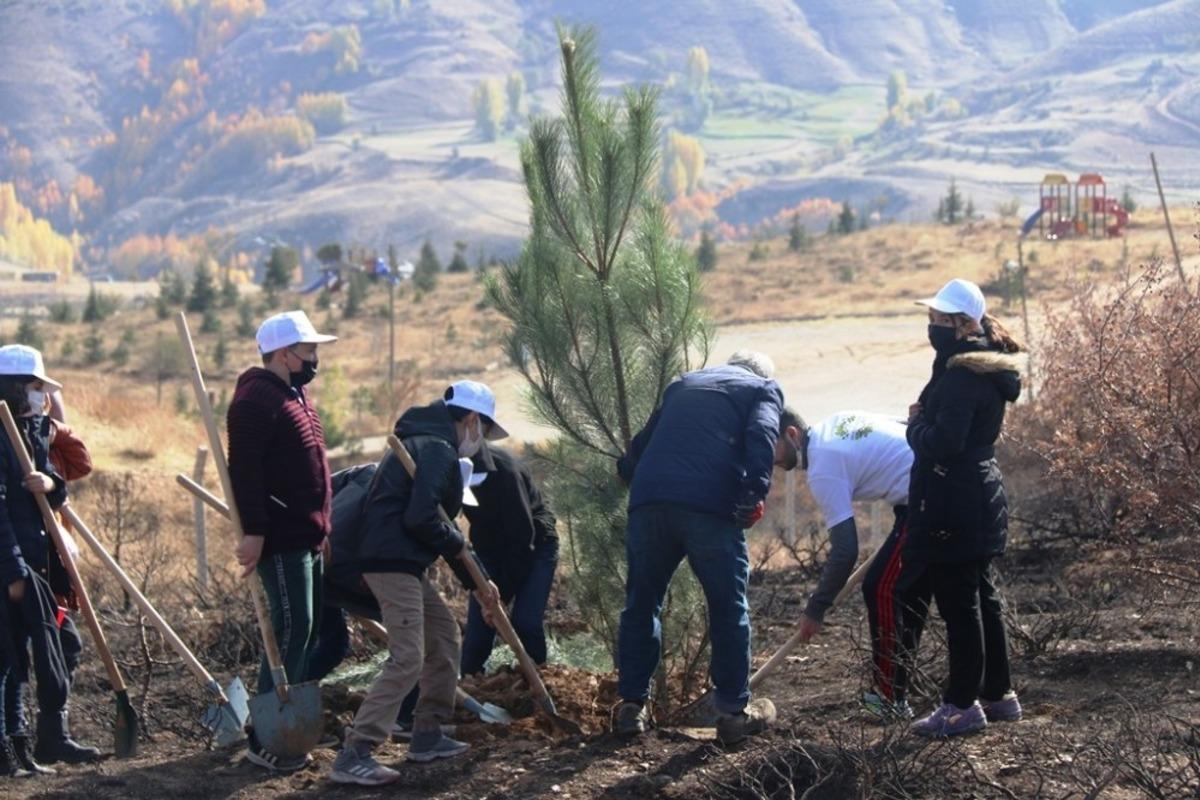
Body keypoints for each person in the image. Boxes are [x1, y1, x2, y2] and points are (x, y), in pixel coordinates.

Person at [613, 351, 802, 746]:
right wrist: (753, 492)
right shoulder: (764, 388)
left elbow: (640, 447)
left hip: (650, 503)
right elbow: (763, 434)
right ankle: (733, 713)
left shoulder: (683, 383)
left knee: (641, 602)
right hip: (709, 508)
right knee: (727, 606)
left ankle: (631, 707)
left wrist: (633, 476)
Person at [330, 382, 501, 787]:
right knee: (408, 656)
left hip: (404, 561)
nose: (482, 443)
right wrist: (461, 548)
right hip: (390, 561)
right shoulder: (438, 448)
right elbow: (423, 520)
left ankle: (427, 732)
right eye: (485, 432)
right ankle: (357, 750)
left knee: (445, 636)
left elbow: (436, 525)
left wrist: (477, 582)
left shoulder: (427, 442)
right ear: (472, 420)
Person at [905, 279, 1024, 738]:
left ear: (961, 325)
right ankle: (999, 693)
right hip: (981, 493)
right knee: (982, 596)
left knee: (960, 606)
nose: (930, 325)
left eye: (937, 319)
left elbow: (943, 443)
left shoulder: (959, 377)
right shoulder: (985, 371)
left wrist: (916, 426)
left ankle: (960, 705)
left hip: (952, 499)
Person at [227, 310, 337, 771]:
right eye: (308, 350)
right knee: (292, 630)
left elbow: (314, 468)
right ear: (283, 353)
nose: (314, 357)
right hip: (280, 538)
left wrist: (323, 526)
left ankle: (267, 725)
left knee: (305, 633)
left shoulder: (296, 394)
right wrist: (254, 533)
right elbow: (245, 475)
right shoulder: (255, 401)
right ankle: (266, 741)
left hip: (307, 533)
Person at [787, 410, 930, 720]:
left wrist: (816, 608)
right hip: (934, 486)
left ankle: (889, 697)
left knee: (881, 588)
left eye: (767, 446)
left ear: (792, 434)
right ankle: (903, 690)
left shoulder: (822, 467)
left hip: (925, 498)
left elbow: (845, 550)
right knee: (908, 592)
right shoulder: (832, 424)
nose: (766, 458)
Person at [0, 345, 99, 777]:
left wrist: (50, 482)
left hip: (42, 565)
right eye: (38, 388)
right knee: (9, 661)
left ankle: (45, 738)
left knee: (62, 645)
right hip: (14, 565)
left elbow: (58, 488)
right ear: (16, 388)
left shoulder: (34, 429)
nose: (44, 397)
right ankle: (11, 748)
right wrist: (14, 570)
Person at [459, 398, 557, 676]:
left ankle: (538, 678)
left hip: (535, 546)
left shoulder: (505, 471)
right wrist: (486, 595)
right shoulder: (449, 465)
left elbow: (522, 538)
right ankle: (470, 684)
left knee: (525, 621)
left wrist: (499, 596)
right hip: (489, 549)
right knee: (477, 635)